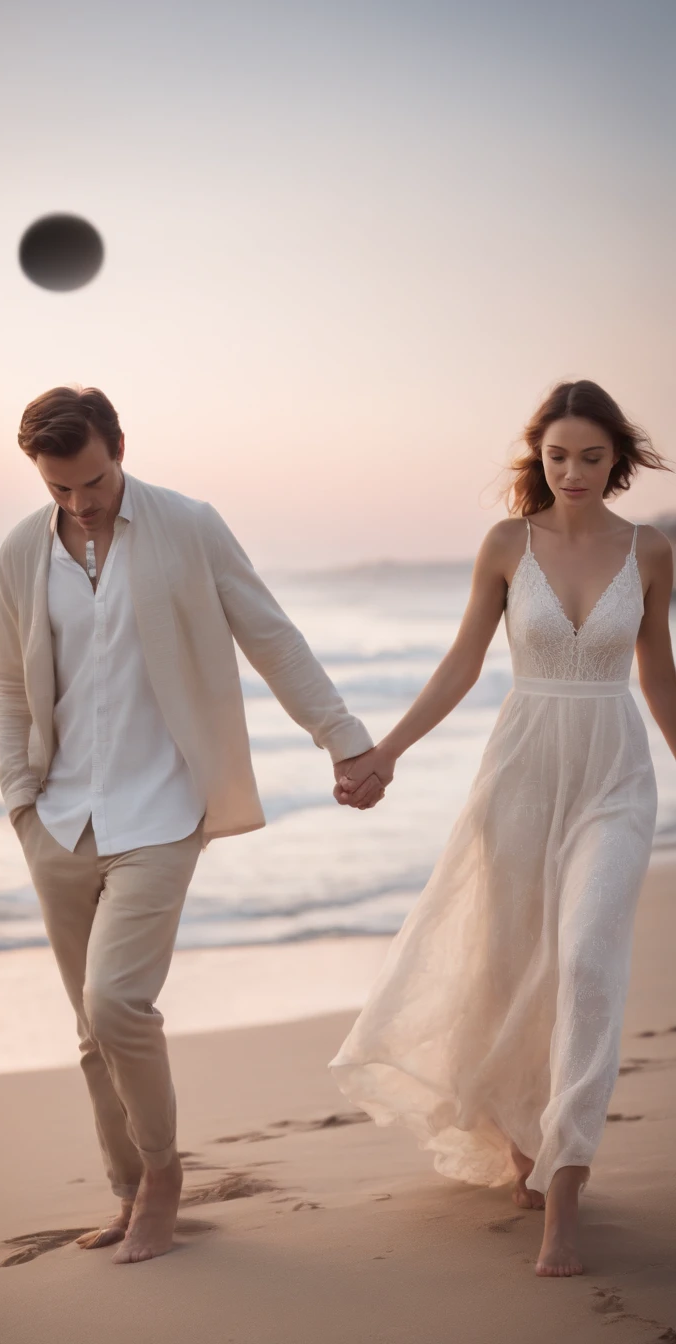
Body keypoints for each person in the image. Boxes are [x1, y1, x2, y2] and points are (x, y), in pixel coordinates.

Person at [0, 384, 383, 1265]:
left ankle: (165, 1177)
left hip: (163, 809)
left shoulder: (189, 525)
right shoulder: (24, 549)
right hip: (58, 817)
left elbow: (271, 637)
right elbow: (12, 682)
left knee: (117, 1002)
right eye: (59, 489)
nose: (79, 504)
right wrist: (21, 799)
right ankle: (127, 1190)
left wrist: (345, 741)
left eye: (91, 481)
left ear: (119, 446)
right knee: (92, 1035)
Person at [330, 379, 676, 1277]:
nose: (573, 471)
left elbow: (658, 679)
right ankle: (524, 1138)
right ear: (540, 457)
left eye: (591, 457)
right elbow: (462, 663)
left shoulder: (649, 552)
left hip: (613, 776)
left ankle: (565, 1188)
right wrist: (388, 751)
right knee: (515, 960)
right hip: (520, 776)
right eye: (557, 456)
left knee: (590, 963)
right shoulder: (504, 546)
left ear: (618, 461)